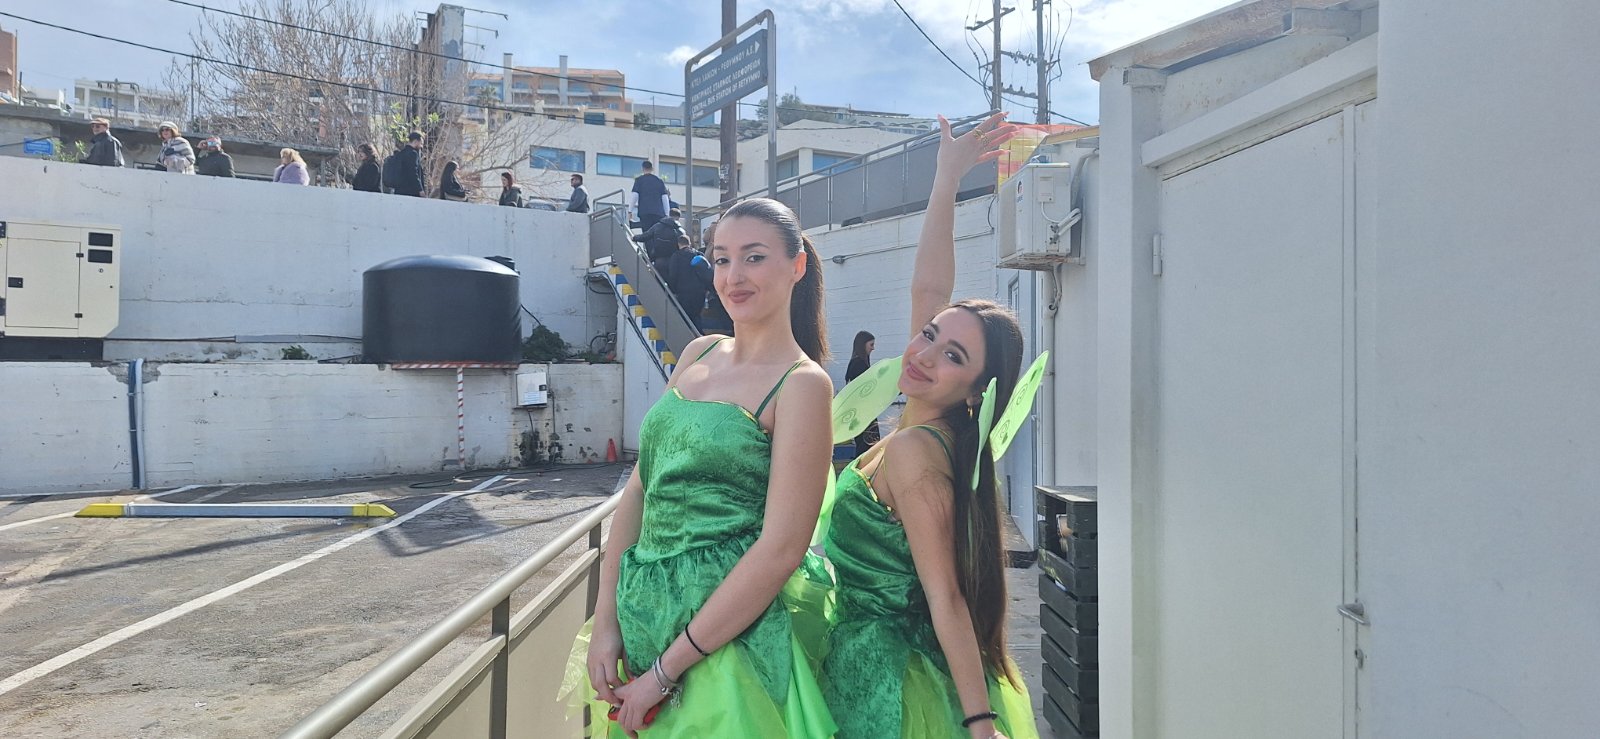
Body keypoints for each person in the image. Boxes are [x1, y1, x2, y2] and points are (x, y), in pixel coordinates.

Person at [813, 112, 1039, 739]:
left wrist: (979, 723)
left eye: (953, 356)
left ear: (976, 391)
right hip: (870, 659)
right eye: (930, 335)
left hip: (886, 686)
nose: (924, 353)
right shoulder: (927, 425)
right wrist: (946, 179)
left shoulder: (915, 448)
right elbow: (930, 288)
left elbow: (946, 597)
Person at [578, 195, 836, 737]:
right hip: (643, 620)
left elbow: (781, 549)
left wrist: (664, 673)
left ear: (797, 265)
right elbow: (640, 491)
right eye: (721, 259)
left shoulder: (802, 385)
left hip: (726, 647)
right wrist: (605, 622)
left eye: (754, 257)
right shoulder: (698, 353)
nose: (733, 276)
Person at [845, 331, 882, 459]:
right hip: (864, 413)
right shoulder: (859, 364)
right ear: (863, 345)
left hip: (860, 413)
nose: (873, 348)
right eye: (871, 345)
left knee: (866, 446)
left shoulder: (855, 363)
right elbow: (867, 389)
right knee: (868, 447)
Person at [664, 235, 713, 331]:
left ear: (678, 244)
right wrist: (708, 289)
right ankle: (699, 335)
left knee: (685, 318)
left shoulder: (676, 256)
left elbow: (673, 275)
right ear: (689, 243)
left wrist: (673, 290)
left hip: (683, 293)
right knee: (697, 316)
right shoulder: (699, 254)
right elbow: (706, 273)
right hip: (699, 292)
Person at [634, 207, 683, 273]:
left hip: (658, 260)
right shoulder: (680, 231)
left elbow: (645, 236)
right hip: (673, 261)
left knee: (658, 277)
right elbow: (684, 245)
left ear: (669, 215)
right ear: (678, 218)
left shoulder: (657, 226)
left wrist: (634, 238)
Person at [629, 160, 669, 231]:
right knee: (656, 233)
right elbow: (665, 198)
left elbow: (634, 196)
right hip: (658, 213)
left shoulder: (639, 180)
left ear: (643, 169)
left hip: (644, 212)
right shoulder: (659, 181)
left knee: (646, 233)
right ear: (652, 169)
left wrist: (630, 211)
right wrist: (667, 213)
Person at [390, 131, 426, 196]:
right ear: (415, 141)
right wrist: (420, 189)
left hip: (399, 190)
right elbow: (413, 173)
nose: (421, 146)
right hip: (410, 191)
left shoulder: (400, 154)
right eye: (421, 143)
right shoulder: (413, 154)